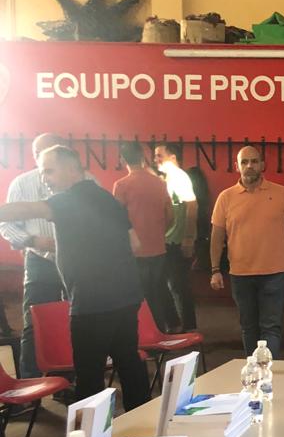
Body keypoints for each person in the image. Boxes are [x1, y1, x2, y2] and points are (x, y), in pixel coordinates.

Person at [0, 146, 150, 410]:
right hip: (125, 296)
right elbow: (135, 243)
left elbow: (26, 209)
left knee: (89, 376)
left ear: (72, 169)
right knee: (129, 363)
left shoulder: (68, 200)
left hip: (91, 301)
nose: (44, 178)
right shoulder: (107, 198)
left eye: (49, 170)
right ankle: (144, 426)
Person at [210, 146, 284, 358]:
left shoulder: (282, 193)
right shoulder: (225, 198)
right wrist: (215, 269)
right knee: (249, 327)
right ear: (237, 166)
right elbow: (217, 237)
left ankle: (268, 377)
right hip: (240, 274)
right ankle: (253, 375)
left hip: (276, 272)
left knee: (271, 327)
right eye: (244, 162)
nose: (249, 166)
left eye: (254, 161)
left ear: (263, 165)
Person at [0, 133, 66, 377]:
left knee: (72, 318)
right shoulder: (21, 184)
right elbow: (7, 225)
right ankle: (29, 381)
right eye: (38, 153)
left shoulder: (83, 183)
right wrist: (32, 240)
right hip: (40, 261)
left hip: (75, 262)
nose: (43, 158)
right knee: (34, 322)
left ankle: (67, 380)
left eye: (49, 152)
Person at [113, 142, 174, 331]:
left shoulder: (121, 185)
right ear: (142, 158)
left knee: (139, 295)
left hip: (133, 250)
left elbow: (116, 218)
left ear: (122, 160)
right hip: (158, 247)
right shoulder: (160, 183)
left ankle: (147, 333)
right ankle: (161, 329)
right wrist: (159, 231)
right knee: (157, 290)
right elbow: (170, 216)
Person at [154, 143, 198, 332]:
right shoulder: (165, 179)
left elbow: (192, 207)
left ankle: (188, 327)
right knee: (164, 284)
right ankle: (174, 323)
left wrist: (188, 238)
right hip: (166, 240)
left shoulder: (180, 178)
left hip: (176, 240)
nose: (156, 159)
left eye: (159, 155)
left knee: (179, 286)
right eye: (155, 155)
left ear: (172, 157)